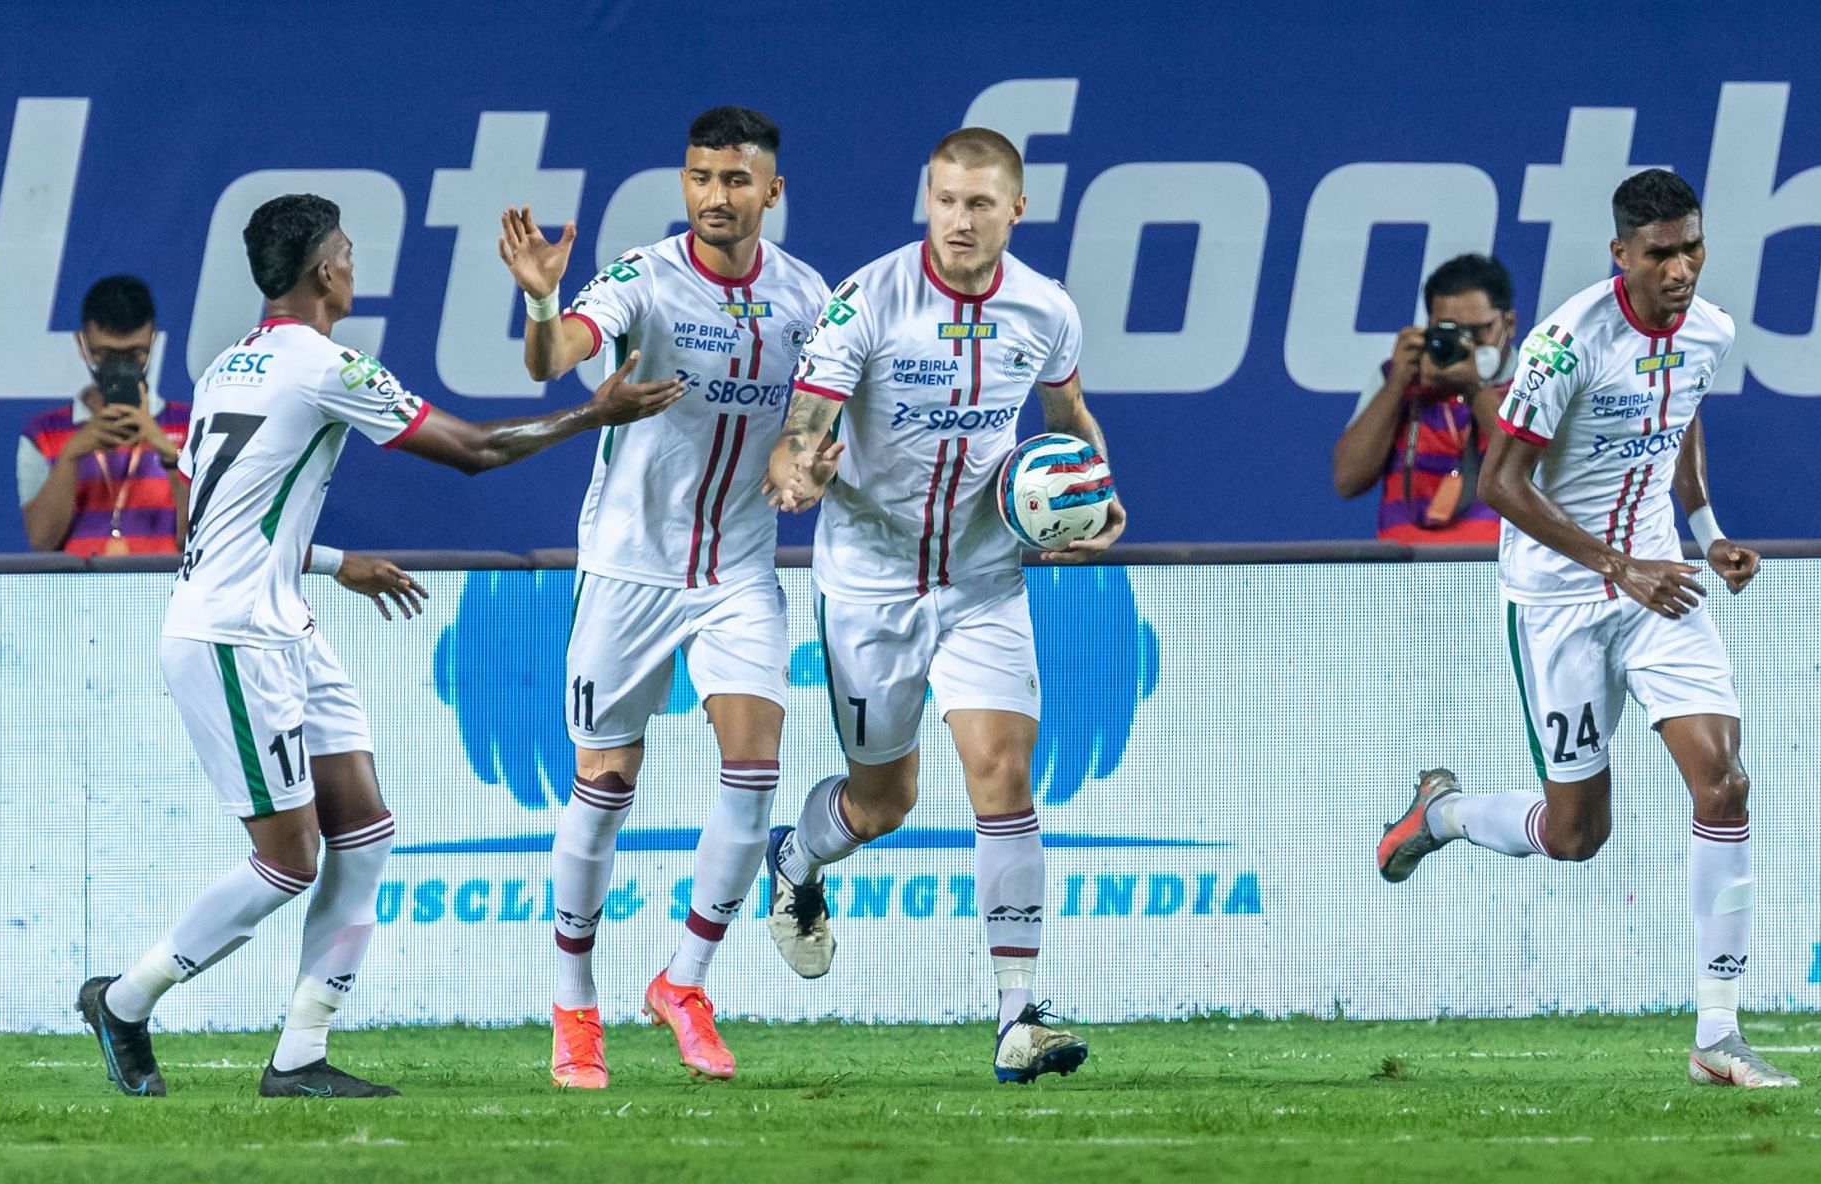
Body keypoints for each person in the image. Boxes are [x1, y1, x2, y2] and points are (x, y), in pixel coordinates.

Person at [76, 193, 683, 1099]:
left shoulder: (225, 368)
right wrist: (590, 417)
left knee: (364, 829)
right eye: (350, 253)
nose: (356, 267)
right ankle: (124, 1000)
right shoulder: (326, 366)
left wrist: (330, 560)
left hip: (282, 622)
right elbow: (474, 449)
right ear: (327, 271)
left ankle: (300, 1056)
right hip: (231, 639)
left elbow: (218, 515)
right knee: (288, 860)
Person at [1375, 169, 1796, 1089]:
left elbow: (1677, 423)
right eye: (1659, 253)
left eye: (1691, 248)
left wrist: (1709, 533)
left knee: (1723, 786)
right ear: (1621, 255)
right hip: (1561, 601)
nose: (1679, 268)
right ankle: (1442, 813)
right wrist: (1616, 565)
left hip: (1661, 589)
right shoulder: (1567, 345)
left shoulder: (1710, 332)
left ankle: (1717, 1032)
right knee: (1575, 837)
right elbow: (1498, 484)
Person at [762, 128, 1123, 1085]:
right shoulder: (866, 301)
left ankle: (1018, 1018)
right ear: (926, 199)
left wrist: (1099, 485)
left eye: (978, 204)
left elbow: (1068, 417)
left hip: (984, 582)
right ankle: (797, 854)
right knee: (883, 803)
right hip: (870, 587)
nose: (957, 221)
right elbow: (805, 424)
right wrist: (800, 472)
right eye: (943, 200)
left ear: (1017, 210)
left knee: (1003, 774)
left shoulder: (1045, 310)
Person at [499, 107, 830, 1086]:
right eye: (699, 178)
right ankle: (573, 1006)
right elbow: (556, 356)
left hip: (738, 571)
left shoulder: (809, 300)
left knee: (756, 768)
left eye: (736, 180)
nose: (715, 197)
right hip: (629, 568)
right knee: (602, 790)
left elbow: (819, 424)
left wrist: (807, 461)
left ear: (770, 190)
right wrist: (540, 304)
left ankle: (684, 982)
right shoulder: (644, 277)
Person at [1331, 254, 1516, 544]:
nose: (1466, 343)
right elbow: (1347, 480)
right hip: (1407, 574)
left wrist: (1474, 389)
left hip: (1496, 571)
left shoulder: (1532, 380)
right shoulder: (1398, 378)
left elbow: (1532, 469)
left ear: (1509, 323)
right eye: (1451, 330)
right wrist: (1397, 384)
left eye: (1479, 331)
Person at [19, 275, 191, 555]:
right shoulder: (42, 434)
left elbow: (195, 537)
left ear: (153, 340)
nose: (119, 367)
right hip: (77, 595)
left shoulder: (191, 425)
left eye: (134, 354)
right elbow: (41, 539)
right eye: (105, 355)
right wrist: (71, 456)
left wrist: (169, 454)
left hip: (164, 590)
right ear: (81, 343)